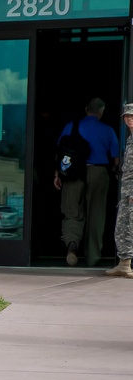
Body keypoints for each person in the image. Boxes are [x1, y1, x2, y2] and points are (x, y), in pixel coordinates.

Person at [54, 97, 120, 267]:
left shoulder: (71, 126)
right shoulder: (108, 130)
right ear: (101, 112)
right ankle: (93, 257)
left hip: (73, 173)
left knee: (72, 211)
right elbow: (116, 160)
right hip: (98, 172)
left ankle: (72, 247)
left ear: (86, 109)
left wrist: (57, 174)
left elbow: (60, 153)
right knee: (96, 215)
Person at [104, 103, 133, 277]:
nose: (130, 119)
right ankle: (124, 264)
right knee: (123, 226)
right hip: (127, 190)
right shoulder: (130, 139)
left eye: (132, 116)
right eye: (127, 116)